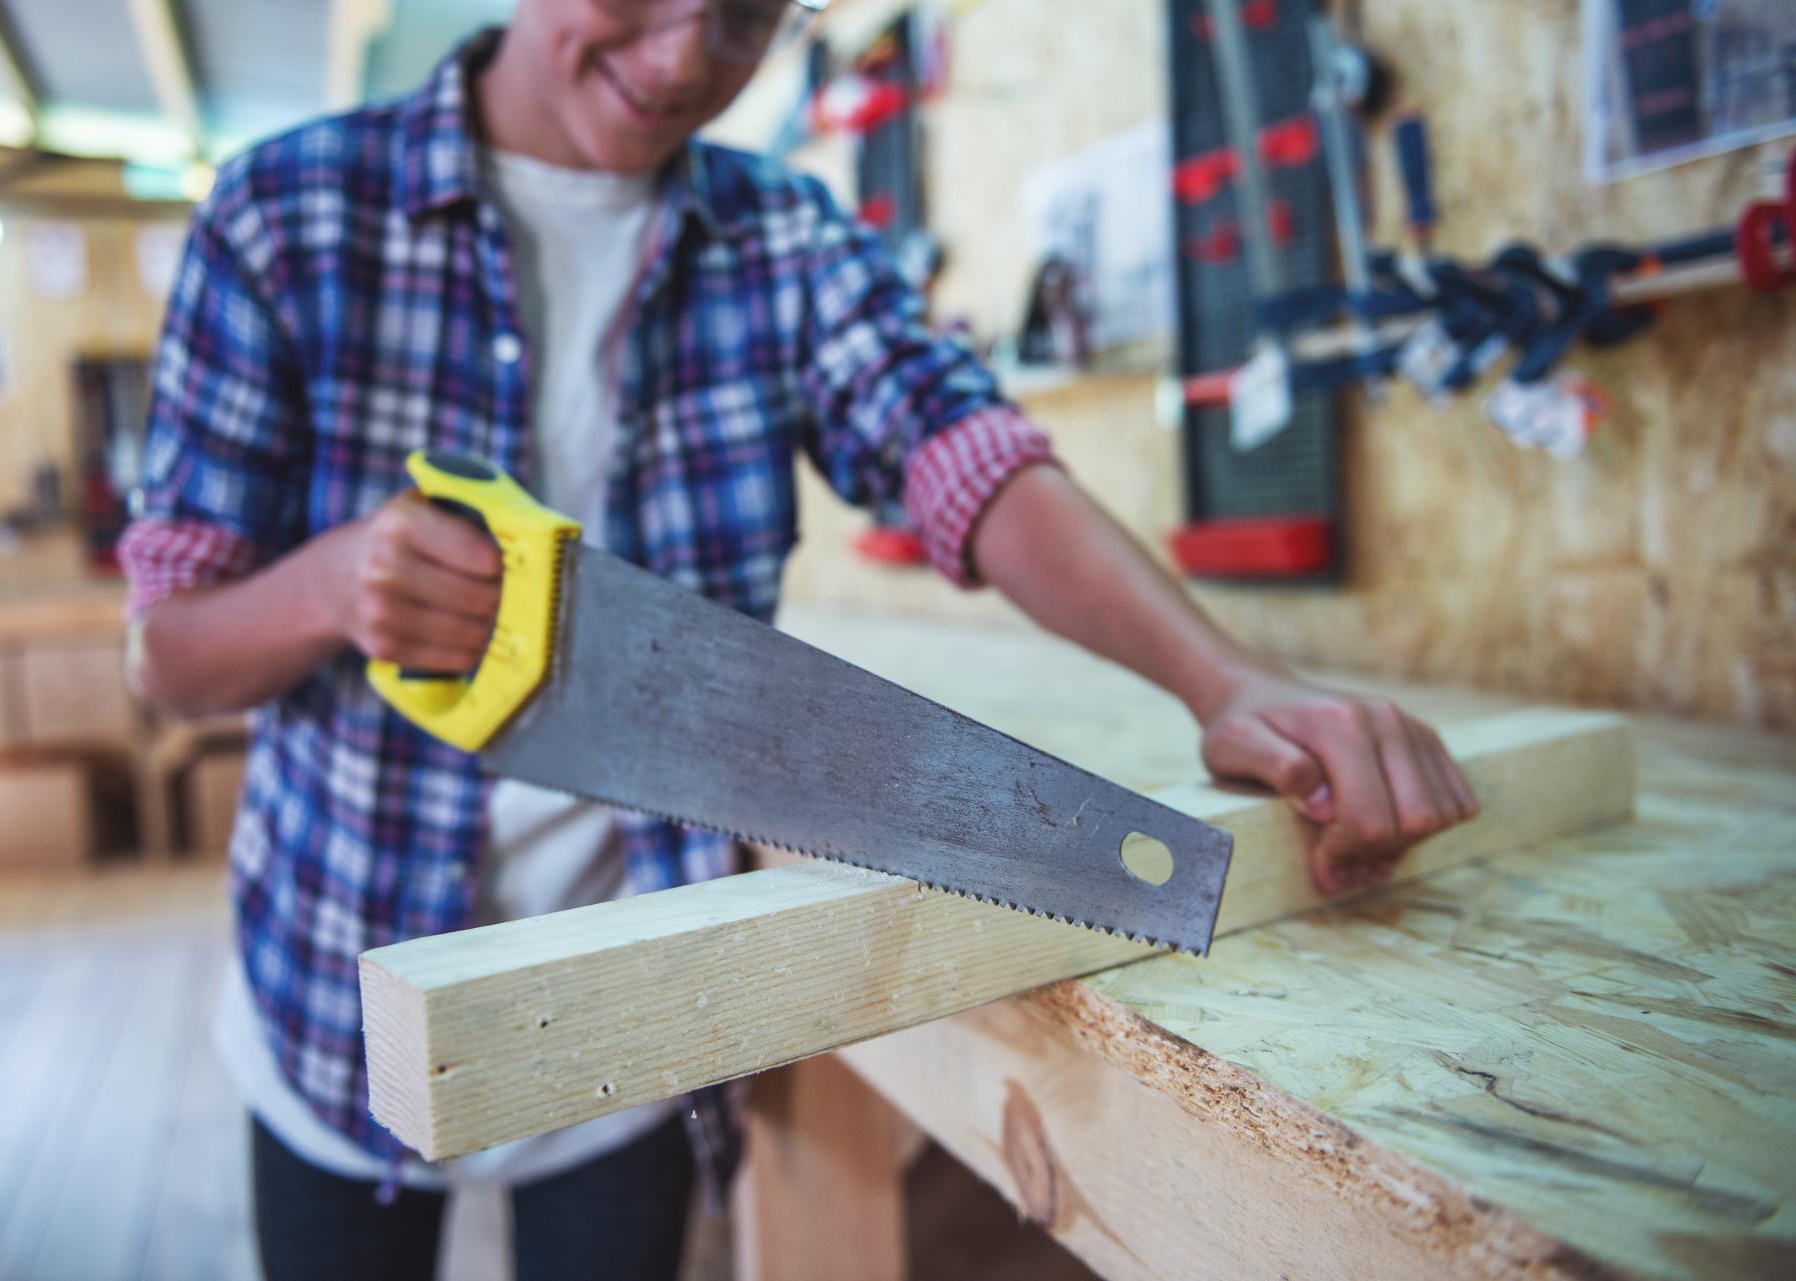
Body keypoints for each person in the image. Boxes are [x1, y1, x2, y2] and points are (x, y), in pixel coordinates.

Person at [119, 0, 1478, 1276]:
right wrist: (336, 582)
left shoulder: (787, 235)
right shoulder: (285, 212)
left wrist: (1225, 679)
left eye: (754, 13)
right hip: (333, 986)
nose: (688, 55)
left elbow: (965, 453)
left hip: (629, 1019)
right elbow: (167, 655)